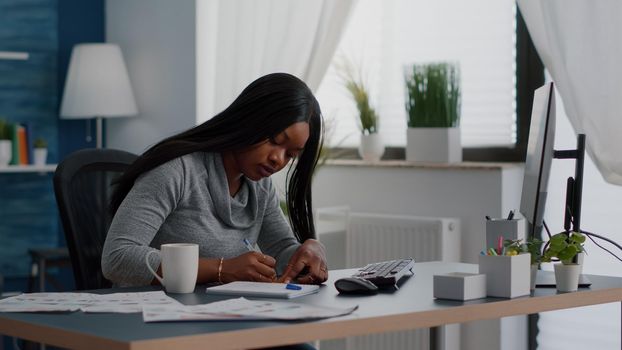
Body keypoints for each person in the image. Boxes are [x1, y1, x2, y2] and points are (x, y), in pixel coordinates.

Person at [101, 72, 328, 288]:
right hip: (148, 316)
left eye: (291, 155)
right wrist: (221, 269)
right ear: (250, 119)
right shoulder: (176, 170)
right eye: (274, 140)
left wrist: (308, 255)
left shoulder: (260, 187)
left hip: (217, 315)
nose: (278, 159)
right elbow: (117, 257)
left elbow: (282, 250)